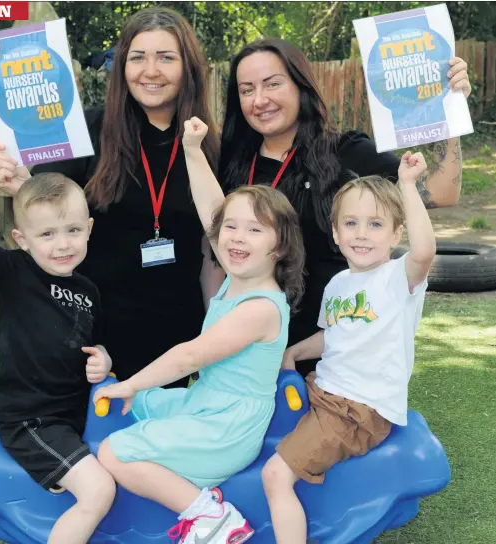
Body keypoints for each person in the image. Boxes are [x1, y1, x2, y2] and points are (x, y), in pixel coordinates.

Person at [88, 117, 305, 544]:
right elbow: (214, 209)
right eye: (232, 228)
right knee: (142, 405)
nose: (237, 237)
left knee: (114, 453)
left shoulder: (259, 307)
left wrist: (130, 382)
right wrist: (192, 149)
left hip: (227, 428)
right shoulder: (237, 277)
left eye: (255, 230)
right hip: (207, 403)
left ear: (278, 247)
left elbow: (189, 357)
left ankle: (211, 517)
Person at [0, 7, 225, 388]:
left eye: (166, 57)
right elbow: (49, 208)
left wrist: (214, 322)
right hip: (94, 328)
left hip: (173, 329)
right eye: (138, 57)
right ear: (122, 66)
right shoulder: (86, 130)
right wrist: (20, 184)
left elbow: (212, 241)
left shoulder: (205, 142)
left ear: (188, 68)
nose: (151, 71)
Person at [219, 38, 470, 377]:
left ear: (300, 85)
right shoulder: (231, 165)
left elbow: (440, 193)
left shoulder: (346, 152)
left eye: (273, 84)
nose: (259, 100)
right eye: (247, 90)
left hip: (331, 356)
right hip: (249, 348)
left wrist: (451, 113)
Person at [0, 130, 117, 544]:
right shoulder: (14, 272)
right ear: (22, 240)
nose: (62, 245)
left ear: (89, 229)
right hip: (32, 420)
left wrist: (105, 361)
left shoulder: (88, 291)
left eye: (73, 230)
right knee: (99, 490)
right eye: (47, 235)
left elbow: (95, 346)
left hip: (76, 416)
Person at [261, 151, 435, 544]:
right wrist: (291, 353)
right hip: (325, 391)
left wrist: (406, 184)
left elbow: (423, 253)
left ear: (395, 235)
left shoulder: (396, 279)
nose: (361, 234)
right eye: (351, 224)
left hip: (356, 410)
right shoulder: (340, 284)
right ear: (335, 233)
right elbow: (333, 335)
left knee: (275, 475)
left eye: (375, 225)